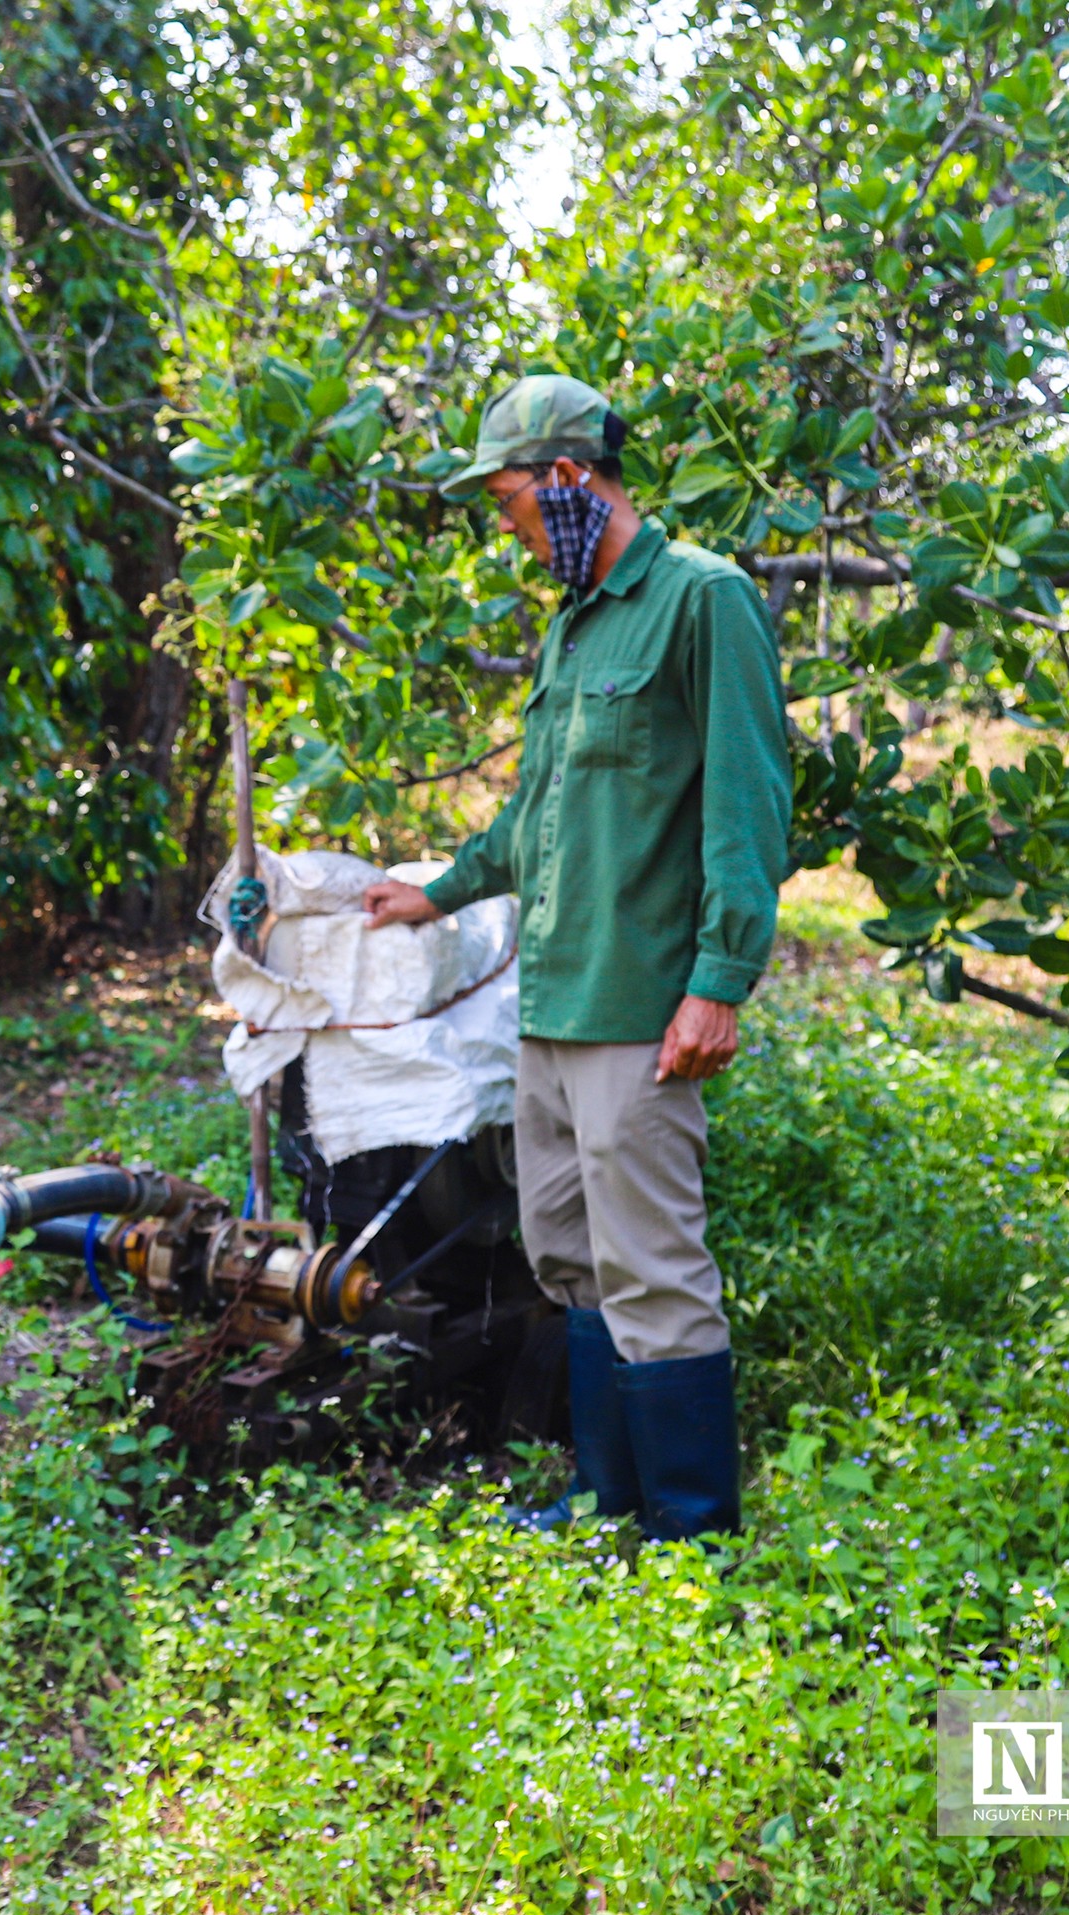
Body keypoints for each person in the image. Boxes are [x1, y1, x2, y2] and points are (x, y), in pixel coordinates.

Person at [363, 374, 790, 1541]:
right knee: (566, 1253)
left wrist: (718, 982)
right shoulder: (570, 627)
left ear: (563, 480)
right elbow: (535, 817)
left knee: (650, 1265)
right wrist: (434, 891)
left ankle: (691, 1533)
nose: (504, 524)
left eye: (504, 499)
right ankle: (610, 1504)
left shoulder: (702, 602)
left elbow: (749, 808)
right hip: (551, 1005)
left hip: (640, 1008)